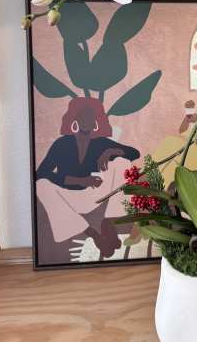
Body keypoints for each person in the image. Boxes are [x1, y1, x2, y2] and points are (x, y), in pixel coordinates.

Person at [36, 97, 140, 258]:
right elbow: (41, 172)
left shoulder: (101, 143)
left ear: (95, 123)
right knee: (41, 185)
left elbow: (134, 153)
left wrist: (110, 151)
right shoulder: (62, 144)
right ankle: (93, 234)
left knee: (122, 162)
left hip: (93, 195)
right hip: (68, 196)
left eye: (90, 118)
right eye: (83, 117)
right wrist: (78, 180)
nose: (87, 121)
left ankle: (110, 222)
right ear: (75, 121)